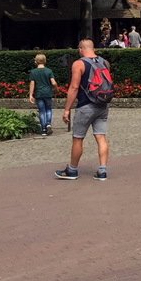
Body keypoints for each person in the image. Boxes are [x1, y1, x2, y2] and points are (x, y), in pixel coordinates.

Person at [55, 40, 111, 181]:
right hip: (102, 104)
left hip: (86, 105)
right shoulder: (105, 62)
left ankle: (72, 170)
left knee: (78, 138)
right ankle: (102, 171)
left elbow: (74, 88)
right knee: (101, 137)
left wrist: (67, 109)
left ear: (80, 49)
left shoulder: (79, 64)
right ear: (93, 48)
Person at [28, 53, 58, 136]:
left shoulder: (33, 72)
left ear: (36, 62)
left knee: (41, 111)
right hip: (48, 92)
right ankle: (48, 123)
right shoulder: (49, 71)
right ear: (45, 61)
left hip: (38, 93)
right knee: (48, 109)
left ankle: (43, 129)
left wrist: (31, 95)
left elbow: (32, 84)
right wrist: (56, 88)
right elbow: (53, 82)